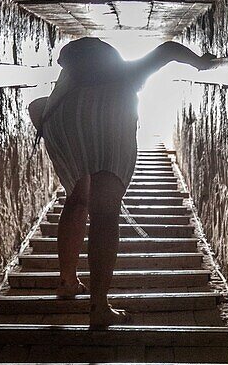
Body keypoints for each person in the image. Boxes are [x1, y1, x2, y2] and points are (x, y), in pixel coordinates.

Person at [28, 38, 213, 328]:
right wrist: (201, 62)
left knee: (77, 200)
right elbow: (169, 50)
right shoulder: (127, 73)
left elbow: (36, 108)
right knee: (104, 213)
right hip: (112, 118)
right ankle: (99, 307)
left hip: (64, 119)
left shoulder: (66, 88)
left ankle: (67, 282)